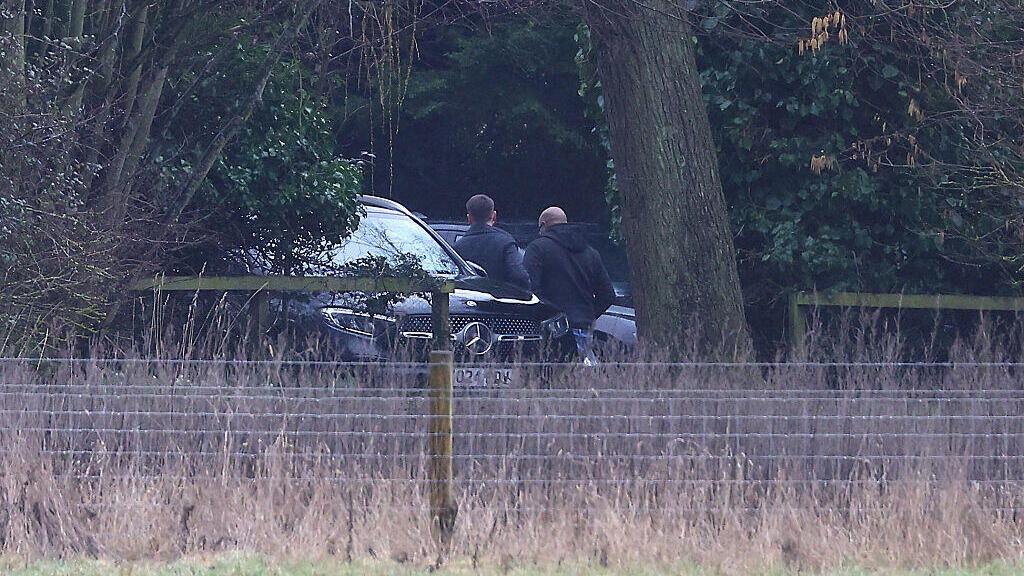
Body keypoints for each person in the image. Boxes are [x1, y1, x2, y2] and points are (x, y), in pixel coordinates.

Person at [524, 207, 615, 364]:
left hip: (551, 332)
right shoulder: (589, 252)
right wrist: (587, 315)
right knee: (582, 382)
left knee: (552, 381)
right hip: (584, 327)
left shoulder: (537, 249)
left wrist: (550, 318)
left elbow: (529, 291)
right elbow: (607, 294)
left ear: (544, 225)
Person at [453, 194, 530, 289]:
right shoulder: (506, 242)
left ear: (469, 218)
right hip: (500, 299)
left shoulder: (458, 247)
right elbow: (520, 276)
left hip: (470, 300)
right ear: (494, 216)